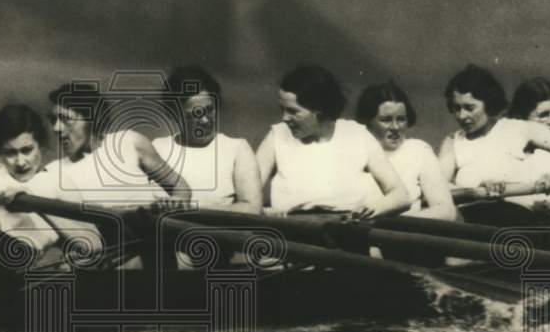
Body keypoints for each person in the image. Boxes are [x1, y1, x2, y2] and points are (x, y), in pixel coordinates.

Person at [256, 64, 410, 217]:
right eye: (282, 109)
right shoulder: (276, 136)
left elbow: (400, 196)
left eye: (293, 111)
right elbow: (249, 199)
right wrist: (266, 214)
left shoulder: (356, 134)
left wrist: (372, 210)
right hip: (291, 231)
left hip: (346, 230)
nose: (284, 118)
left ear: (319, 109)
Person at [438, 65, 550, 201]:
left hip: (517, 218)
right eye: (456, 108)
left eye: (469, 108)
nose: (462, 116)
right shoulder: (453, 141)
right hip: (470, 220)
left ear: (489, 102)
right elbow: (438, 188)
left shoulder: (519, 129)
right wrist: (479, 189)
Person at [46, 82, 192, 207]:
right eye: (53, 120)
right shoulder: (54, 171)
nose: (56, 128)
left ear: (92, 119)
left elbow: (181, 187)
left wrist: (176, 202)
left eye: (66, 119)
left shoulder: (128, 141)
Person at [152, 64, 262, 214]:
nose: (205, 121)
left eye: (209, 109)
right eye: (194, 115)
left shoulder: (236, 148)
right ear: (174, 116)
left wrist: (190, 210)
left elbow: (252, 208)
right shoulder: (158, 148)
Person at [355, 81, 456, 221]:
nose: (395, 127)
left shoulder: (418, 151)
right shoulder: (353, 150)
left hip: (403, 234)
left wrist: (397, 224)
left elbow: (446, 210)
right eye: (386, 120)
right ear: (367, 121)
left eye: (401, 119)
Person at [0, 104, 60, 254]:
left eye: (27, 150)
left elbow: (92, 243)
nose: (20, 162)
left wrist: (34, 203)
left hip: (20, 257)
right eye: (10, 153)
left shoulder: (56, 181)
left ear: (41, 145)